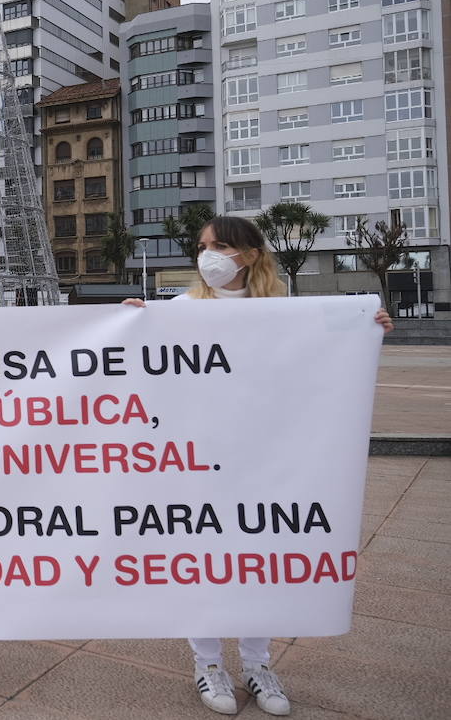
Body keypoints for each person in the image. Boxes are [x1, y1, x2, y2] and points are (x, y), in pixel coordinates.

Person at [123, 215, 391, 716]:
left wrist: (367, 329)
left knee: (260, 559)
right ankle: (207, 663)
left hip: (266, 460)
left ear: (248, 255)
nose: (208, 256)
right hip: (198, 462)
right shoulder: (178, 310)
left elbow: (320, 361)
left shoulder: (281, 312)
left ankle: (256, 662)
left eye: (219, 246)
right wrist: (131, 322)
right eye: (203, 246)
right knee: (200, 559)